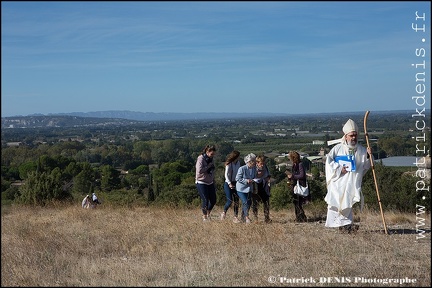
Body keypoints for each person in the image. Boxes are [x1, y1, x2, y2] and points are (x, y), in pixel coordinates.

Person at [325, 119, 372, 233]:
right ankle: (344, 226)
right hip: (338, 182)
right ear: (345, 136)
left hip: (352, 181)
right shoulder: (337, 149)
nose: (354, 138)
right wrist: (339, 169)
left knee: (348, 203)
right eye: (351, 135)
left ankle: (347, 226)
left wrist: (369, 156)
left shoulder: (361, 150)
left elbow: (366, 166)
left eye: (355, 135)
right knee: (337, 203)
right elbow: (329, 162)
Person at [195, 144, 217, 222]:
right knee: (205, 199)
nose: (212, 155)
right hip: (201, 181)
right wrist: (208, 166)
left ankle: (208, 213)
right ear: (207, 151)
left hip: (210, 181)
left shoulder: (211, 159)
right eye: (211, 154)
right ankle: (204, 217)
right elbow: (199, 170)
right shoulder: (200, 158)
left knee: (213, 200)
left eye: (213, 154)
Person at [286, 151, 310, 222]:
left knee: (298, 202)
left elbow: (302, 175)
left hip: (300, 184)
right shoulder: (295, 164)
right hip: (296, 184)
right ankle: (300, 217)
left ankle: (301, 217)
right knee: (296, 202)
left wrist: (292, 176)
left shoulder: (299, 165)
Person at [220, 150, 242, 223]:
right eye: (239, 156)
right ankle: (224, 212)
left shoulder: (238, 163)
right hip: (228, 183)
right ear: (236, 156)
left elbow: (239, 173)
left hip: (236, 182)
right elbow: (226, 175)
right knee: (229, 201)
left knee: (236, 201)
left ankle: (235, 217)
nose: (239, 157)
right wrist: (229, 183)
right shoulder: (229, 164)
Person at [235, 153, 257, 224]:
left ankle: (243, 217)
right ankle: (247, 217)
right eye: (253, 161)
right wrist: (246, 181)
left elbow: (254, 177)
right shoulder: (242, 168)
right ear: (249, 161)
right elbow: (237, 178)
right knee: (245, 202)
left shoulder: (254, 168)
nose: (255, 162)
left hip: (249, 189)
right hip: (241, 189)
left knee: (249, 203)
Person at [251, 155, 272, 223]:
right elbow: (254, 176)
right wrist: (260, 173)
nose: (262, 165)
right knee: (255, 203)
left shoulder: (265, 167)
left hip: (263, 185)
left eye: (263, 163)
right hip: (255, 185)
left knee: (266, 201)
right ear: (257, 163)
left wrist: (267, 178)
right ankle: (255, 218)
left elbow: (268, 175)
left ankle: (267, 218)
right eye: (261, 163)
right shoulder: (253, 168)